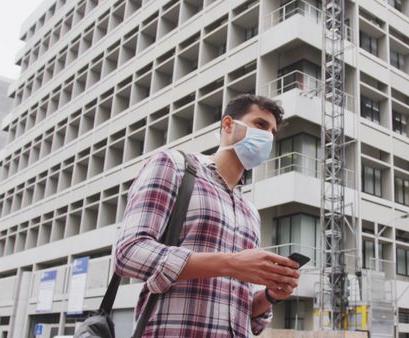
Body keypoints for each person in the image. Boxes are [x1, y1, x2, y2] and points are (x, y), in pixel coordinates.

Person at [114, 94, 301, 337]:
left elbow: (248, 316)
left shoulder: (250, 212)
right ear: (228, 125)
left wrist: (270, 295)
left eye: (272, 133)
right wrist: (231, 264)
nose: (267, 137)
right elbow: (128, 253)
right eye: (260, 125)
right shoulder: (175, 166)